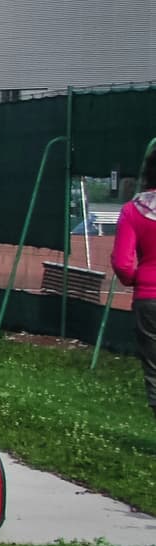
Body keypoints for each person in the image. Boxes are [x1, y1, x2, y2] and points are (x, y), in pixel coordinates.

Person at [117, 141, 156, 420]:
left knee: (154, 369)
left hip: (149, 297)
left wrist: (137, 278)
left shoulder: (134, 210)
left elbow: (122, 263)